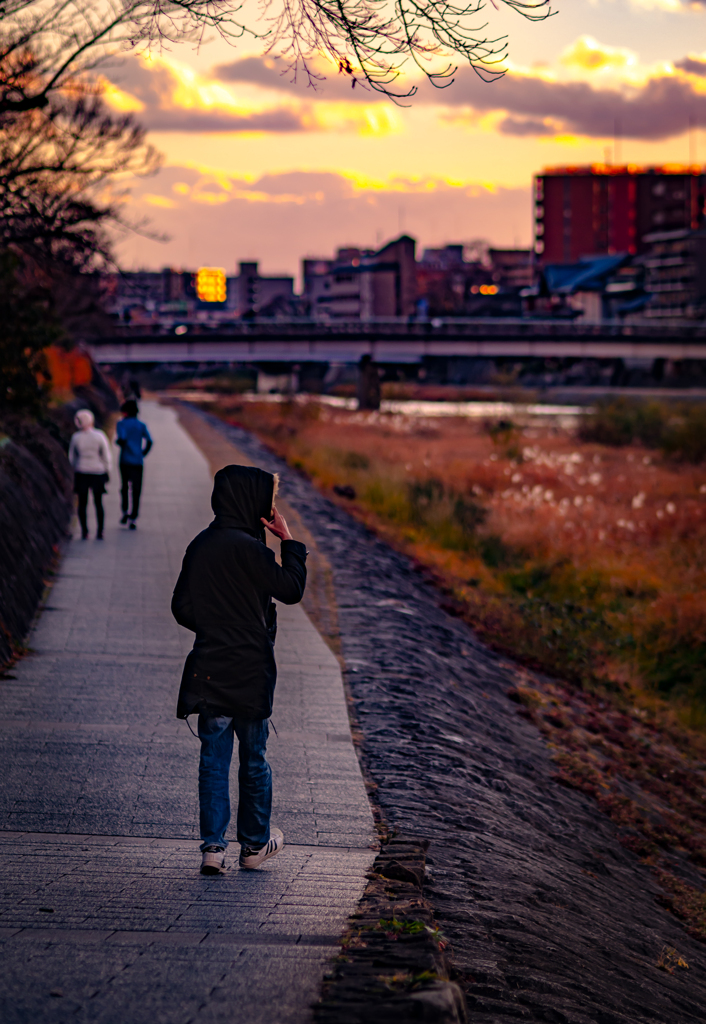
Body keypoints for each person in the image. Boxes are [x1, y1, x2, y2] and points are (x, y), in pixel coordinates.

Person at [171, 465, 307, 875]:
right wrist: (288, 540)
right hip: (250, 670)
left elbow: (181, 607)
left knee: (213, 759)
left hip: (211, 667)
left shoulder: (201, 545)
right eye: (269, 501)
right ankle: (253, 845)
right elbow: (291, 589)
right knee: (254, 758)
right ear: (252, 502)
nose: (270, 508)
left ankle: (213, 849)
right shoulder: (253, 550)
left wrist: (216, 626)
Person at [68, 409, 112, 540]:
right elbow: (106, 456)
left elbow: (72, 457)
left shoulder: (76, 437)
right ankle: (100, 531)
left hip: (81, 473)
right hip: (97, 472)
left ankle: (84, 531)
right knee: (98, 503)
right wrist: (107, 470)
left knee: (82, 503)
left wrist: (76, 467)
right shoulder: (99, 436)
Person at [116, 399, 152, 530]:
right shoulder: (141, 425)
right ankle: (134, 517)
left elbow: (122, 439)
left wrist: (119, 443)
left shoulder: (121, 424)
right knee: (136, 490)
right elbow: (149, 441)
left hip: (124, 460)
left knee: (124, 487)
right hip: (138, 462)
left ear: (125, 412)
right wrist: (142, 453)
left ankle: (125, 511)